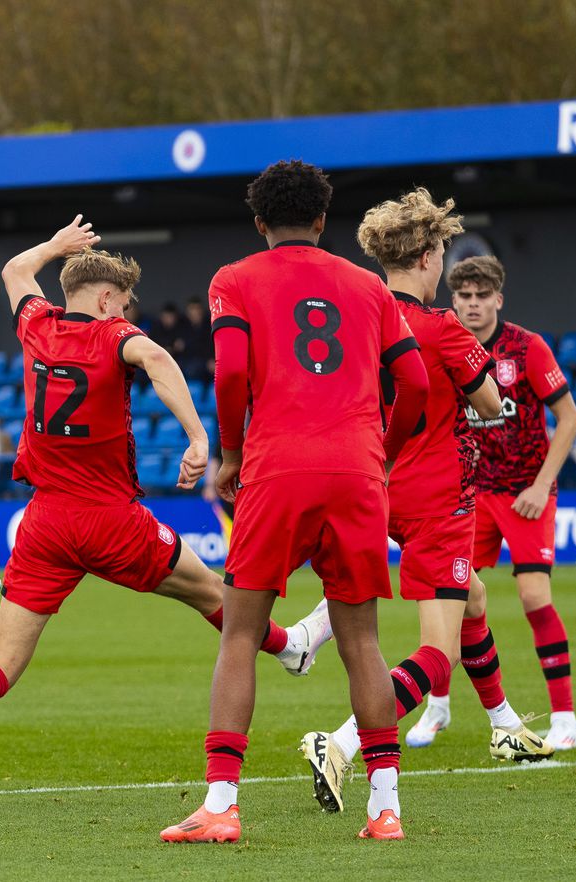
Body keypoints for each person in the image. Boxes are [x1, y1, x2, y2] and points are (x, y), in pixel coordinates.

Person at [0, 216, 330, 812]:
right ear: (110, 298)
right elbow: (161, 362)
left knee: (1, 663)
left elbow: (15, 270)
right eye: (126, 302)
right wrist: (198, 438)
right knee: (220, 599)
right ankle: (292, 648)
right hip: (111, 519)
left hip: (44, 524)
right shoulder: (116, 335)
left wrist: (56, 246)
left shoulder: (37, 324)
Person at [161, 160, 429, 844]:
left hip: (278, 464)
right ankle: (385, 810)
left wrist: (229, 452)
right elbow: (417, 386)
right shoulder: (370, 286)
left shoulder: (235, 279)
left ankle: (221, 805)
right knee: (363, 641)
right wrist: (382, 453)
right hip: (357, 472)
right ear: (321, 219)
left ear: (259, 223)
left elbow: (229, 370)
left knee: (241, 634)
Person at [301, 189, 552, 817]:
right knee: (436, 653)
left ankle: (503, 724)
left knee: (473, 598)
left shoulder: (354, 315)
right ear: (427, 259)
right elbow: (494, 404)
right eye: (441, 253)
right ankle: (342, 742)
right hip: (438, 496)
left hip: (368, 484)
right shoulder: (440, 328)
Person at [437, 255, 576, 750]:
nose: (473, 305)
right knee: (451, 599)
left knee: (534, 598)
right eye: (464, 297)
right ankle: (437, 706)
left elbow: (569, 419)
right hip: (470, 494)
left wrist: (541, 486)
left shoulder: (527, 348)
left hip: (525, 492)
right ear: (453, 301)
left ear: (498, 299)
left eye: (482, 296)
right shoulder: (446, 344)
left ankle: (565, 717)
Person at [181, 296, 214, 383]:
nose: (195, 312)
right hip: (188, 363)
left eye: (197, 309)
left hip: (206, 362)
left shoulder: (210, 325)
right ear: (188, 312)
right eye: (192, 309)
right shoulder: (182, 325)